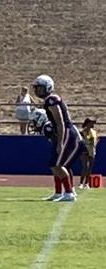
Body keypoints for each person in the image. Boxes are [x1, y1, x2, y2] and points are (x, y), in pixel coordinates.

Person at [32, 74, 80, 202]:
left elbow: (60, 122)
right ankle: (60, 192)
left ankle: (69, 192)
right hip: (65, 132)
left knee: (57, 165)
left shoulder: (51, 100)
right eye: (36, 88)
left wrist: (60, 142)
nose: (37, 91)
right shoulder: (51, 100)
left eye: (40, 88)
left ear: (47, 87)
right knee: (58, 165)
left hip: (66, 133)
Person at [79, 117, 98, 188]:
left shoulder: (94, 131)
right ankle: (81, 183)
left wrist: (94, 146)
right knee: (85, 167)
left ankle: (87, 183)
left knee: (90, 168)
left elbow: (96, 139)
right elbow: (80, 142)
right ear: (88, 123)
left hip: (92, 151)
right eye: (92, 123)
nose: (93, 124)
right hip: (84, 151)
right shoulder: (82, 132)